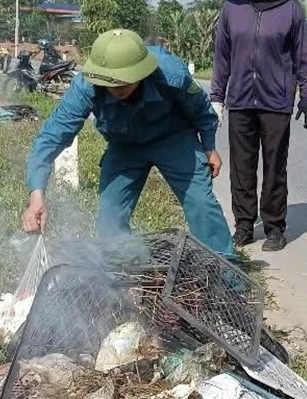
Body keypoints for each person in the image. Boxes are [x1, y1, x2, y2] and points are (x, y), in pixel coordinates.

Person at [21, 28, 236, 259]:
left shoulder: (171, 74)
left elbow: (202, 111)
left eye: (125, 81)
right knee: (110, 215)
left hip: (174, 139)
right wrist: (36, 197)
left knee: (201, 204)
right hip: (124, 146)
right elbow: (51, 137)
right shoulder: (86, 87)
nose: (117, 88)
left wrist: (210, 147)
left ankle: (225, 271)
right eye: (110, 82)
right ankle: (119, 273)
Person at [210, 0, 307, 253]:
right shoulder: (232, 8)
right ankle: (243, 225)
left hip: (276, 102)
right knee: (241, 167)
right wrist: (217, 98)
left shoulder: (290, 9)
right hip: (241, 100)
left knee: (274, 166)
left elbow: (302, 55)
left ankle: (274, 228)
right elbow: (222, 57)